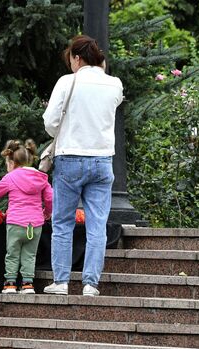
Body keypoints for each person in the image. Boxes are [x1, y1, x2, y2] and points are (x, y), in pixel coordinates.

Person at [42, 35, 123, 296]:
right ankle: (90, 284)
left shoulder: (67, 82)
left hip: (70, 158)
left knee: (63, 222)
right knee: (97, 224)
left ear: (77, 58)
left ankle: (62, 281)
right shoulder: (114, 84)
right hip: (102, 160)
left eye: (71, 60)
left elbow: (50, 122)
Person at [0, 139, 53, 294]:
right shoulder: (41, 178)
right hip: (35, 224)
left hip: (16, 223)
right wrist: (47, 213)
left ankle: (10, 284)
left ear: (12, 162)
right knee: (30, 255)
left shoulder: (11, 177)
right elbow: (50, 198)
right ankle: (27, 284)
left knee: (12, 254)